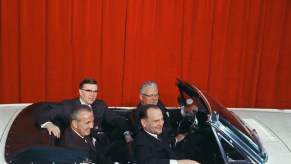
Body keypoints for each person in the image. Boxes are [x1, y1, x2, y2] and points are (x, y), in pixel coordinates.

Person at [36, 78, 133, 163]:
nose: (92, 95)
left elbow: (116, 119)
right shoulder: (66, 106)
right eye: (88, 91)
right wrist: (49, 125)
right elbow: (42, 116)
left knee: (129, 148)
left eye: (95, 91)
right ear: (80, 92)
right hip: (79, 147)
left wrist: (127, 134)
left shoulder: (100, 105)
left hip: (100, 143)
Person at [133, 81, 215, 163]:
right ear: (141, 96)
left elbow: (169, 115)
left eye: (156, 95)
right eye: (150, 95)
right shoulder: (141, 120)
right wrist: (178, 160)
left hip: (171, 144)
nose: (154, 98)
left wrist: (184, 111)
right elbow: (148, 156)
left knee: (201, 142)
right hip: (169, 147)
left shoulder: (158, 104)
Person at [133, 104, 200, 164]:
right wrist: (178, 162)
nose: (161, 124)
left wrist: (176, 139)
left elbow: (167, 143)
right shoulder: (141, 142)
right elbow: (147, 162)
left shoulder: (159, 132)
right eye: (156, 121)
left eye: (162, 119)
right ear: (144, 123)